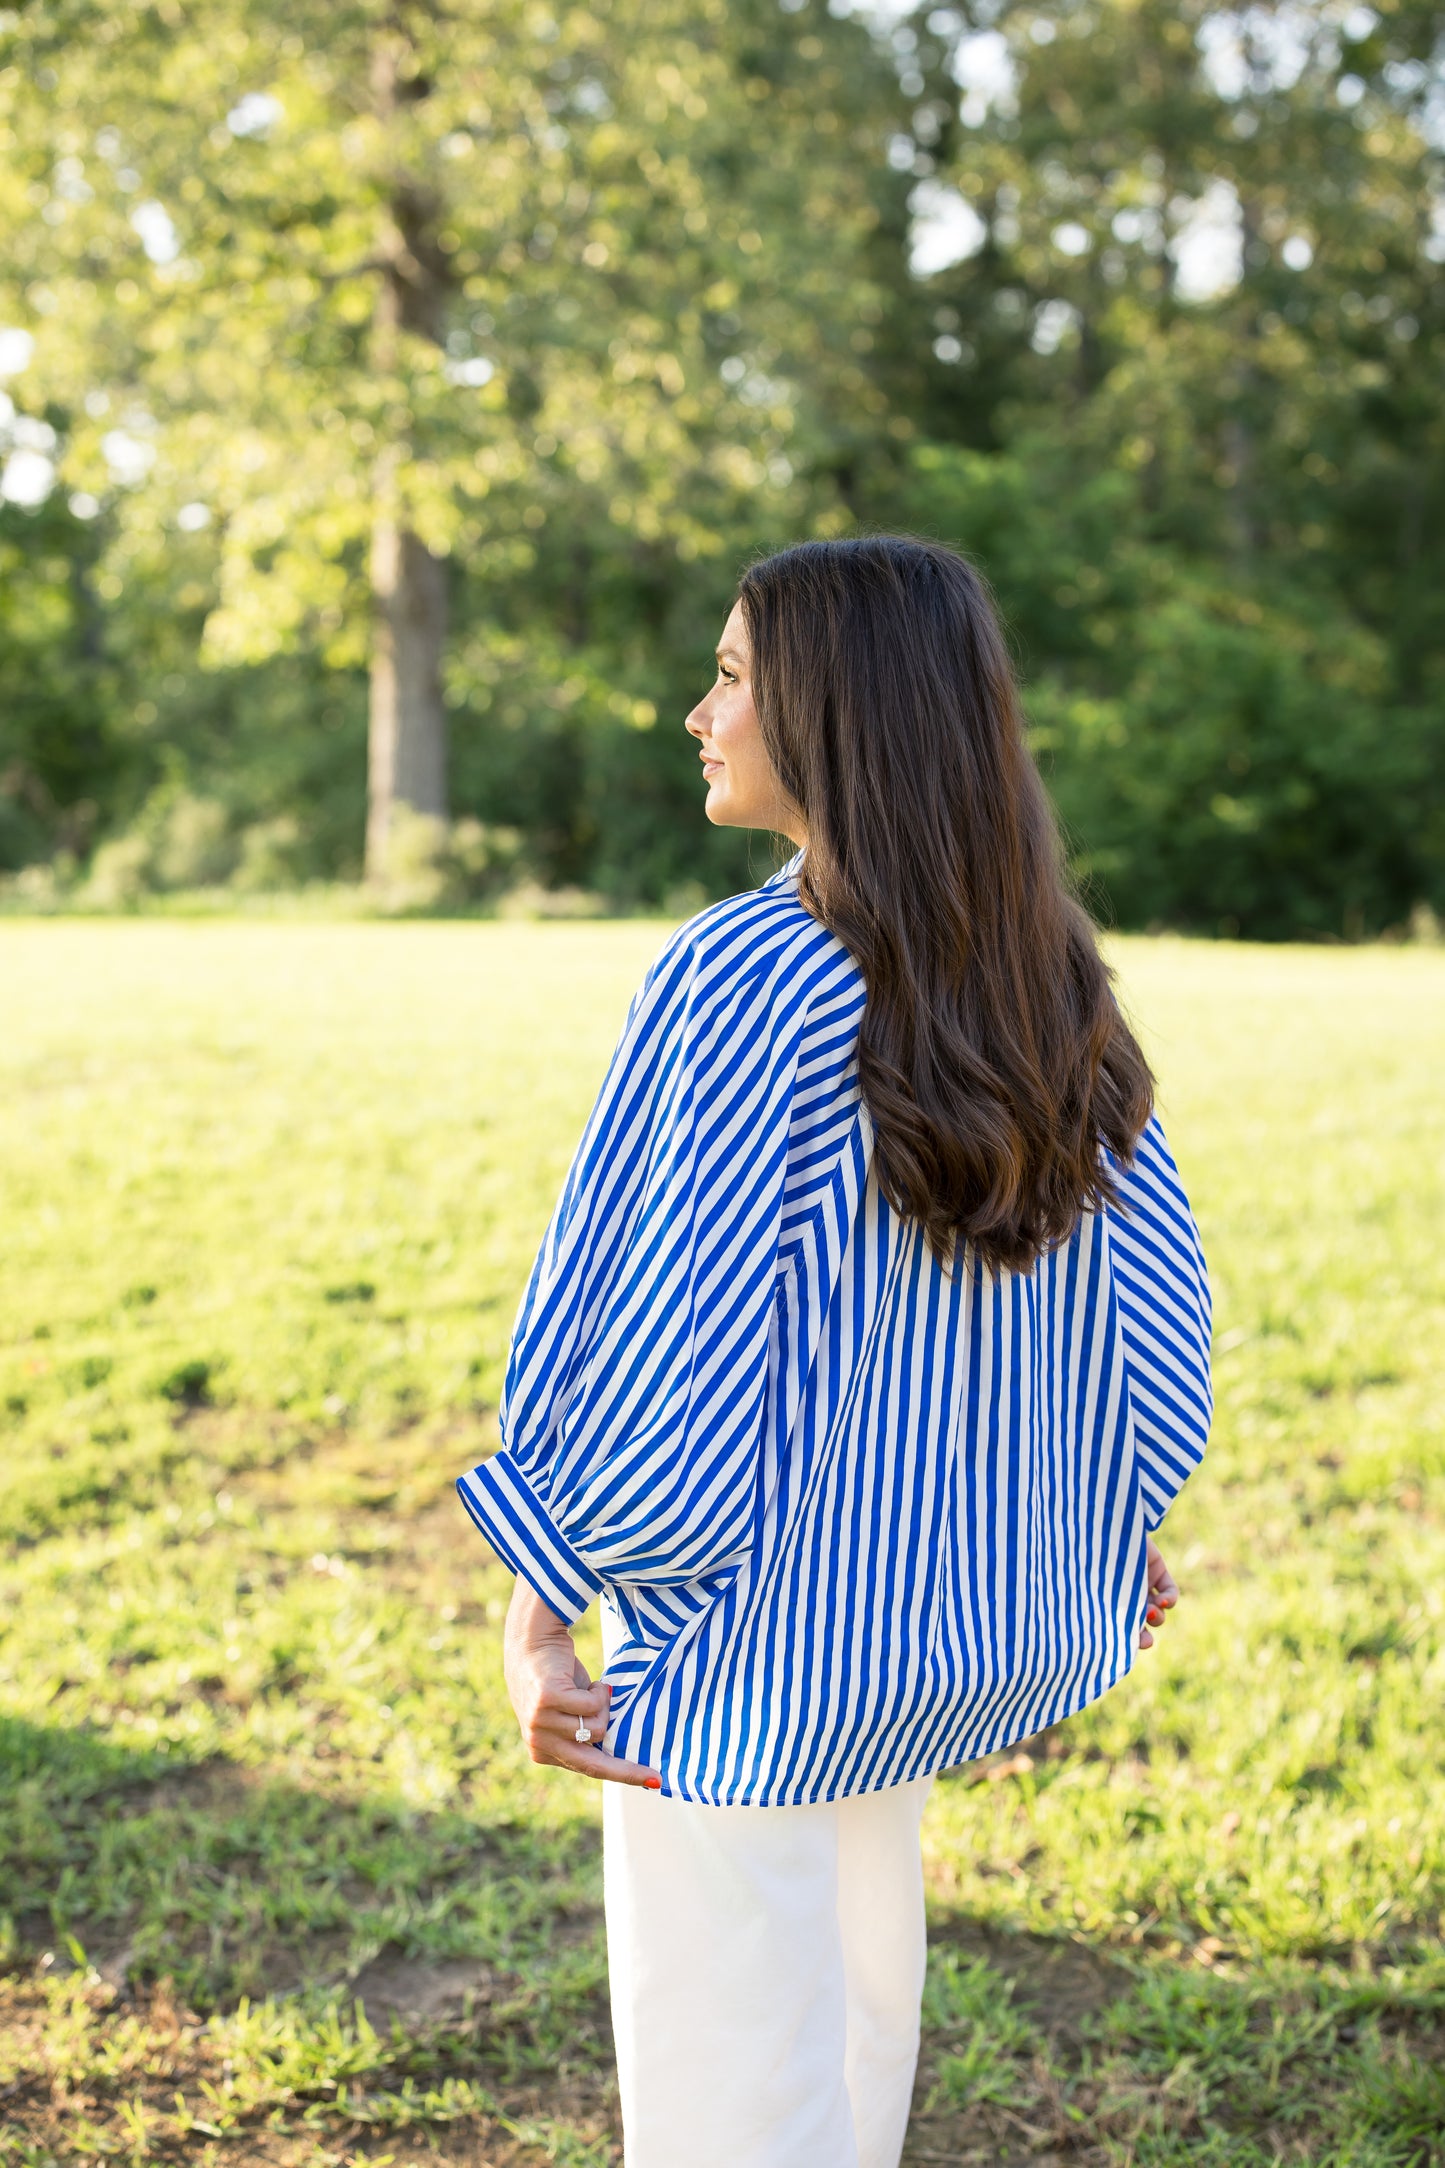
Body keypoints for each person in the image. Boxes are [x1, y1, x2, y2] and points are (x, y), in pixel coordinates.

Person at [457, 536, 1212, 2168]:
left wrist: (541, 1613)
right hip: (912, 1649)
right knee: (857, 2052)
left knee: (736, 2099)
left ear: (833, 713)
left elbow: (655, 1337)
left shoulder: (738, 974)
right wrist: (1104, 1523)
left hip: (747, 1661)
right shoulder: (1045, 978)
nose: (696, 712)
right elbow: (1144, 1313)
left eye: (732, 675)